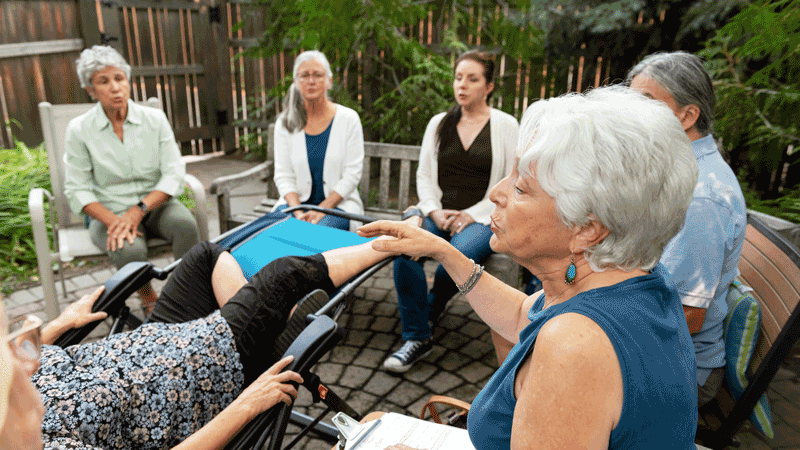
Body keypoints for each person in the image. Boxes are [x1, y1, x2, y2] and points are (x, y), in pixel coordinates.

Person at [360, 86, 699, 448]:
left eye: (521, 187)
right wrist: (445, 252)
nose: (497, 193)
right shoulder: (638, 276)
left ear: (586, 230)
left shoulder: (573, 349)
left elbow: (561, 339)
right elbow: (526, 313)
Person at [0, 236, 400, 450]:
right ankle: (389, 242)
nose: (22, 359)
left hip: (153, 338)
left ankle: (268, 339)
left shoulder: (13, 371)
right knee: (282, 275)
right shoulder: (29, 436)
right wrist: (244, 406)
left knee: (204, 255)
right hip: (201, 374)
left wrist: (54, 326)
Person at [384, 50, 519, 372]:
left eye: (472, 79)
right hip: (439, 214)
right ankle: (417, 336)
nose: (463, 85)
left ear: (488, 86)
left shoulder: (506, 125)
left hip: (483, 218)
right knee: (404, 250)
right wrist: (433, 211)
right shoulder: (439, 123)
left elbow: (511, 180)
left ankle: (431, 307)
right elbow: (424, 176)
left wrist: (472, 214)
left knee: (455, 255)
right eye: (459, 78)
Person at [627, 51, 747, 407]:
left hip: (681, 370)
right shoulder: (677, 169)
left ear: (687, 115)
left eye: (645, 103)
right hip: (659, 344)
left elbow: (687, 316)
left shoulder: (701, 197)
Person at [63, 45, 200, 314]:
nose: (115, 88)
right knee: (128, 249)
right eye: (104, 81)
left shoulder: (154, 119)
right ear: (91, 90)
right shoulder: (79, 130)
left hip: (155, 205)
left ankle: (186, 294)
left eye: (119, 78)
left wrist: (137, 212)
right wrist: (117, 221)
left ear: (128, 81)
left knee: (185, 225)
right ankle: (150, 300)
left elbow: (173, 172)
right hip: (109, 212)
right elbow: (76, 188)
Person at [272, 50, 365, 230]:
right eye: (304, 75)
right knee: (272, 230)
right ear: (296, 83)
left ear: (329, 81)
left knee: (316, 233)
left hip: (338, 207)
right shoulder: (285, 123)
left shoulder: (349, 119)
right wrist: (298, 212)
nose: (311, 81)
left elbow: (352, 174)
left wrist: (322, 210)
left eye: (318, 75)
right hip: (295, 206)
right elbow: (283, 175)